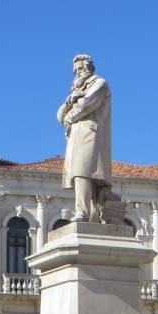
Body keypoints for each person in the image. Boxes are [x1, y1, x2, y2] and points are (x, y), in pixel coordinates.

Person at [56, 54, 112, 222]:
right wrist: (69, 102)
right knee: (78, 173)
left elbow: (86, 105)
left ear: (88, 68)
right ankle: (91, 214)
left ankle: (83, 212)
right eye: (75, 71)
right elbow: (58, 115)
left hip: (90, 133)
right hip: (75, 135)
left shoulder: (100, 83)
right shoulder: (75, 92)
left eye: (80, 69)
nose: (77, 73)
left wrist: (68, 116)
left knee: (83, 171)